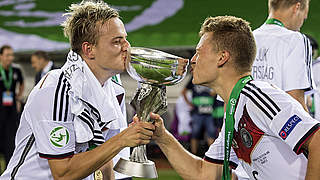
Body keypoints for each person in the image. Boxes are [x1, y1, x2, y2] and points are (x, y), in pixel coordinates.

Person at [144, 16, 320, 180]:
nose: (193, 60)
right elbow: (204, 173)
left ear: (222, 57)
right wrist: (162, 137)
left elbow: (318, 141)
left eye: (199, 52)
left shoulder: (257, 97)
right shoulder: (235, 110)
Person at [0, 1, 155, 180]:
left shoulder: (112, 87)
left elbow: (104, 156)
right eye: (117, 42)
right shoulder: (57, 89)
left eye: (125, 39)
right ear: (89, 49)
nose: (127, 47)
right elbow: (63, 173)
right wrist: (121, 140)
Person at [252, 0, 314, 112]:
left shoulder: (247, 38)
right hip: (280, 127)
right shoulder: (295, 40)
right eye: (305, 14)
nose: (304, 19)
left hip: (246, 126)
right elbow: (296, 102)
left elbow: (230, 99)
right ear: (297, 7)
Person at [182, 77, 223, 155]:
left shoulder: (211, 78)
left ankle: (214, 155)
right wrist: (189, 103)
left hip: (210, 112)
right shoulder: (193, 78)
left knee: (211, 133)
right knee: (195, 133)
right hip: (197, 112)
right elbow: (183, 91)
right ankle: (194, 154)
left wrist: (215, 91)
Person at [0, 45, 24, 167]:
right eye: (7, 55)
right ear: (1, 56)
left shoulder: (16, 71)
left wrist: (18, 97)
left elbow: (22, 83)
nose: (10, 58)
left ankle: (10, 167)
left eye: (12, 55)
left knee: (11, 138)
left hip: (11, 109)